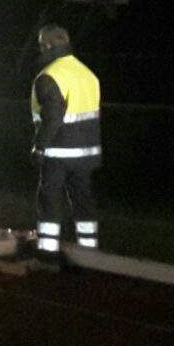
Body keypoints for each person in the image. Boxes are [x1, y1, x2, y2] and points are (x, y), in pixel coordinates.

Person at [30, 23, 103, 263]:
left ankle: (47, 253)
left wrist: (39, 147)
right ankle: (90, 251)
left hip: (58, 152)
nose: (39, 49)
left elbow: (52, 117)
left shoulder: (49, 76)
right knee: (83, 200)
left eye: (41, 45)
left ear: (48, 45)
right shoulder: (89, 74)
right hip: (86, 153)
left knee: (50, 200)